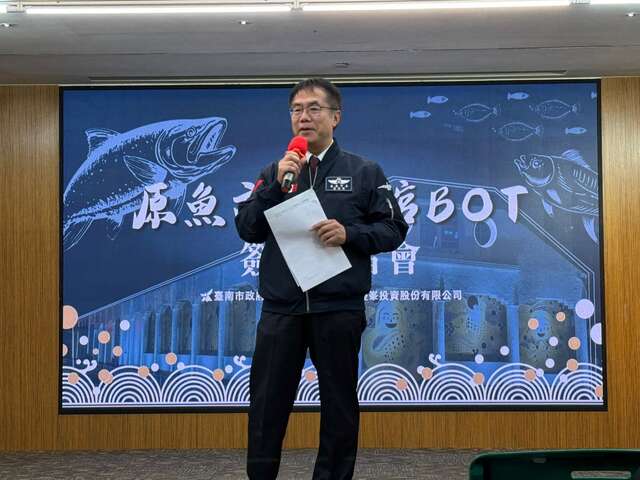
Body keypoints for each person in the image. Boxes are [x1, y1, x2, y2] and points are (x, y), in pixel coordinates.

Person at [235, 78, 408, 480]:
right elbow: (247, 229)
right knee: (266, 405)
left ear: (335, 117)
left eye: (314, 108)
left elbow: (394, 229)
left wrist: (350, 234)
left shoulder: (364, 171)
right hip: (282, 310)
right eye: (296, 109)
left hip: (338, 308)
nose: (304, 117)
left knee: (339, 406)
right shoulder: (275, 172)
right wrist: (273, 188)